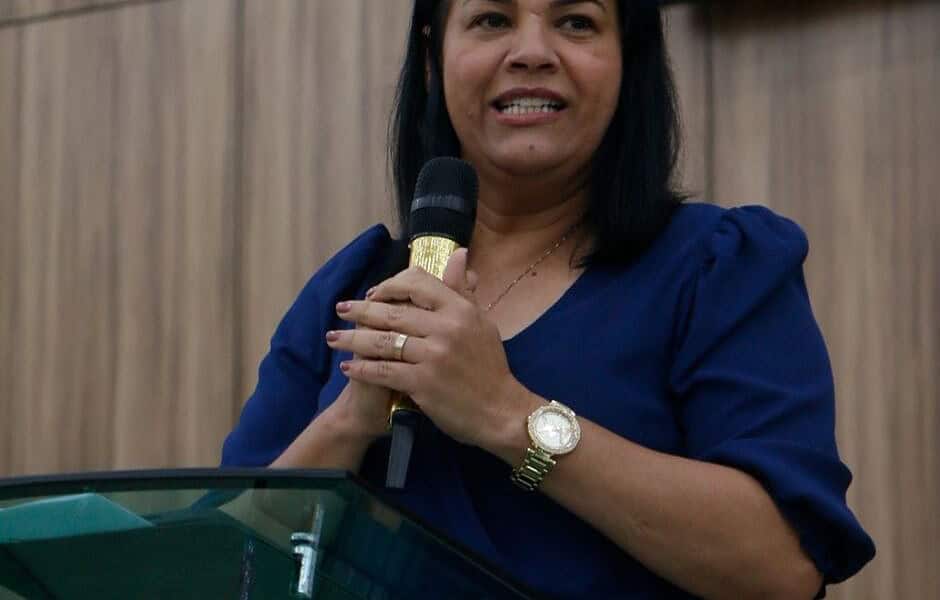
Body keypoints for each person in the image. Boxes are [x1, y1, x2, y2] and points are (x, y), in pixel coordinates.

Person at [221, 0, 875, 597]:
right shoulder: (349, 288)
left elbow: (780, 565)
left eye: (576, 22)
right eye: (492, 20)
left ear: (628, 61)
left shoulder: (716, 267)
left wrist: (506, 414)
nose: (532, 52)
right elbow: (223, 563)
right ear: (431, 59)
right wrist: (349, 421)